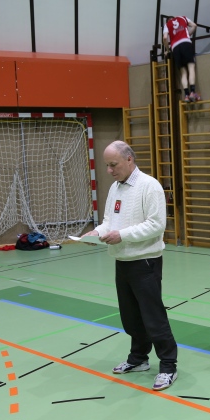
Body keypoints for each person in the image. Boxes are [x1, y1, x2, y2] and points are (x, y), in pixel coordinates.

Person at [81, 141, 179, 391]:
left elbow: (156, 225)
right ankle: (138, 359)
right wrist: (97, 232)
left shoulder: (149, 186)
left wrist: (122, 235)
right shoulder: (115, 187)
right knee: (131, 317)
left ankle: (168, 366)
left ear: (129, 160)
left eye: (113, 165)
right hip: (122, 261)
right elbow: (109, 221)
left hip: (145, 262)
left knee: (153, 317)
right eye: (107, 165)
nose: (109, 170)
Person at [163, 15, 201, 102]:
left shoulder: (167, 24)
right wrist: (188, 34)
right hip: (186, 43)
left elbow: (165, 38)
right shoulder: (182, 18)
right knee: (191, 68)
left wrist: (168, 50)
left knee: (183, 72)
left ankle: (186, 95)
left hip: (175, 47)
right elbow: (194, 25)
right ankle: (192, 92)